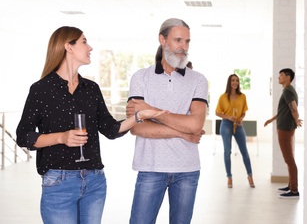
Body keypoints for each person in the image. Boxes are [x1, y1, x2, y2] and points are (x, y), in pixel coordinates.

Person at [16, 26, 166, 224]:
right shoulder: (41, 89)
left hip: (94, 181)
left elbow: (111, 129)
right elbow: (23, 136)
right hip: (58, 182)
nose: (90, 47)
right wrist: (61, 137)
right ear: (68, 47)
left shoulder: (91, 89)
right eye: (84, 41)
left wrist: (139, 116)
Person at [126, 18, 208, 224]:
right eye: (178, 40)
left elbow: (196, 125)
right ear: (162, 40)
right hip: (150, 167)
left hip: (187, 170)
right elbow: (136, 127)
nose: (184, 47)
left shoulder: (198, 80)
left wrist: (152, 112)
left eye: (187, 41)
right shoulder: (140, 78)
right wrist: (182, 132)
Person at [264, 68, 302, 199]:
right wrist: (271, 120)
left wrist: (296, 119)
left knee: (289, 159)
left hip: (285, 129)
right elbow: (284, 110)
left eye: (281, 75)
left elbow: (293, 107)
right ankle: (290, 185)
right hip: (285, 127)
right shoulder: (288, 90)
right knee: (288, 159)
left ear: (288, 77)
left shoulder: (287, 91)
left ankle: (294, 190)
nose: (278, 77)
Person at [215, 74, 255, 188]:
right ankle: (229, 177)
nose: (235, 82)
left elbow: (243, 112)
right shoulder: (223, 97)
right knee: (227, 151)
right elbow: (217, 113)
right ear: (229, 82)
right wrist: (228, 117)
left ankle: (250, 175)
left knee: (244, 151)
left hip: (238, 125)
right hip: (226, 124)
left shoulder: (242, 96)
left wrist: (241, 119)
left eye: (237, 80)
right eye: (233, 80)